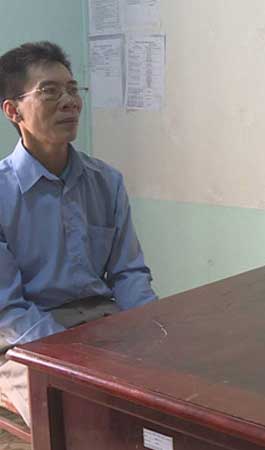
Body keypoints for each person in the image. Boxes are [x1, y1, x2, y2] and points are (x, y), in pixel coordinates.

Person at [0, 41, 157, 427]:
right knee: (80, 421)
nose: (69, 102)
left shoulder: (106, 181)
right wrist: (71, 354)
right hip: (26, 341)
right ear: (13, 110)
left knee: (168, 393)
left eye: (72, 89)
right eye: (49, 91)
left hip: (104, 323)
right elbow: (8, 309)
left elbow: (128, 273)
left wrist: (152, 327)